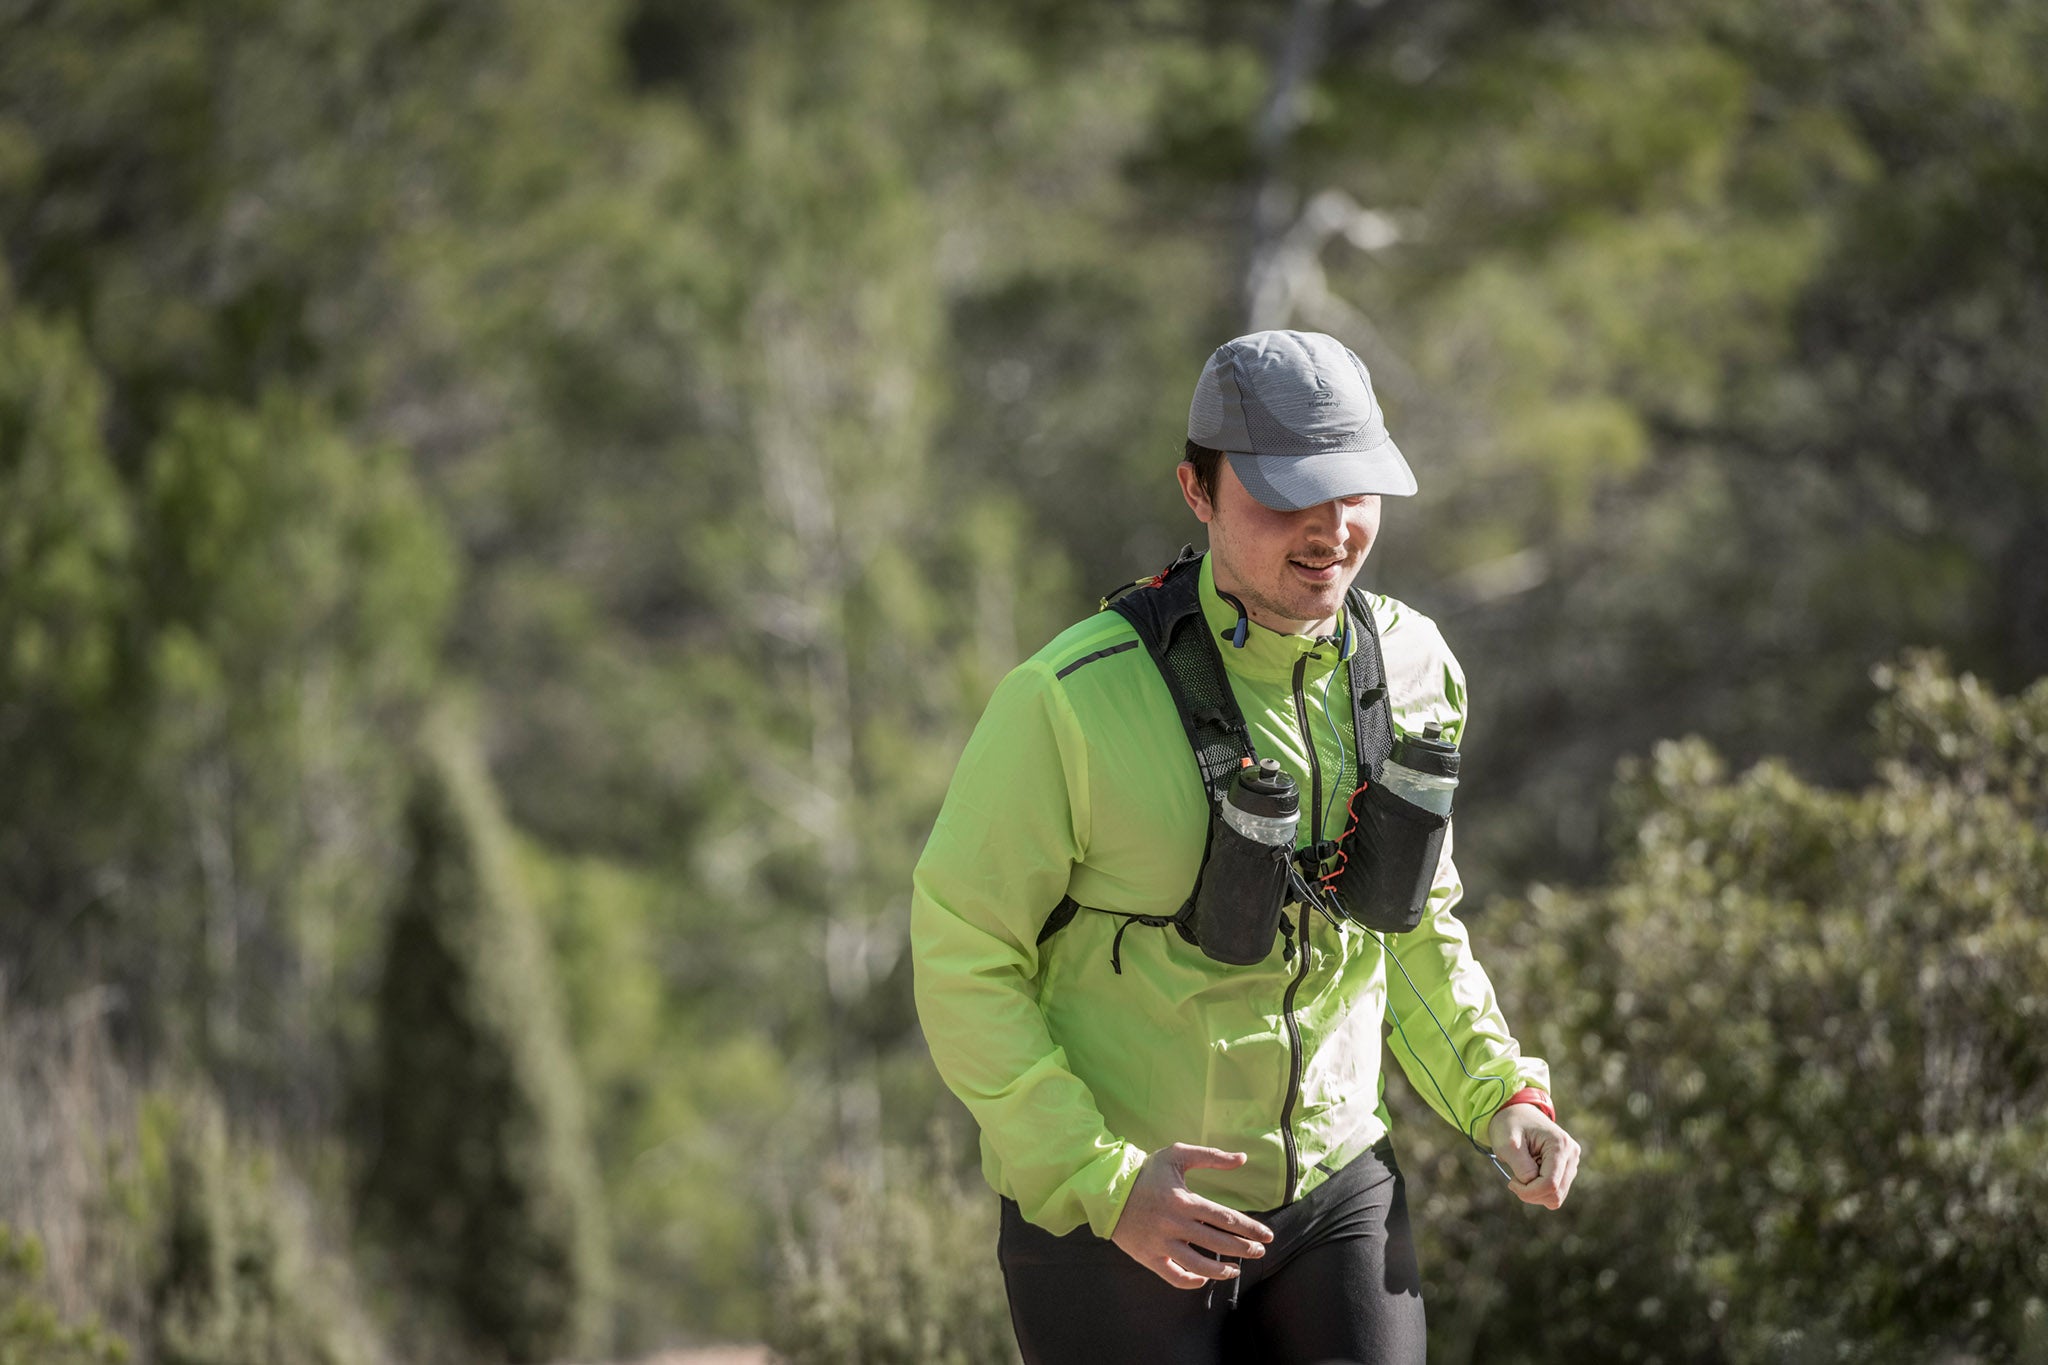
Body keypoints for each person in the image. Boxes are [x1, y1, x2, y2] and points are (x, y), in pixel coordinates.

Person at [910, 330, 1580, 1364]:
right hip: (1120, 1219)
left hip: (1335, 1187)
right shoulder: (1064, 703)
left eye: (1355, 491)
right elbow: (962, 955)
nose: (1328, 529)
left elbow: (1410, 922)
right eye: (1285, 496)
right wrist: (1102, 1181)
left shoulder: (1413, 666)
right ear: (1197, 491)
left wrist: (1500, 1096)